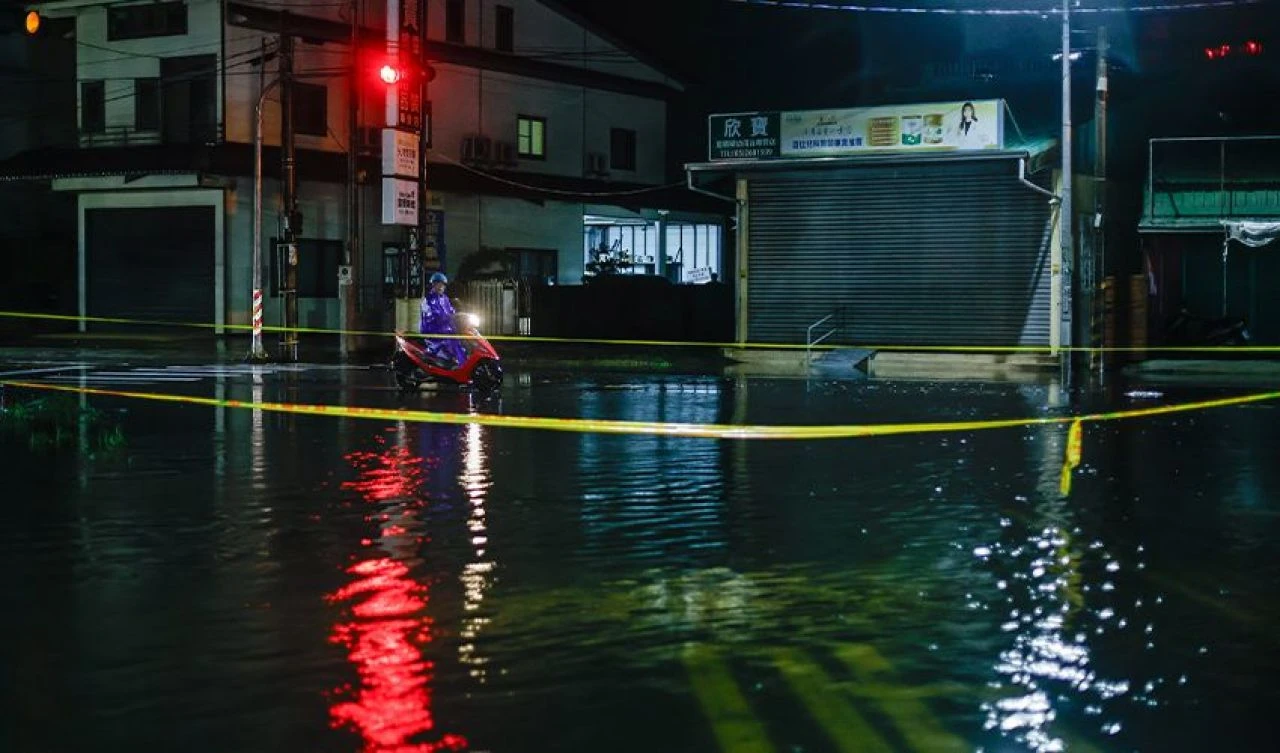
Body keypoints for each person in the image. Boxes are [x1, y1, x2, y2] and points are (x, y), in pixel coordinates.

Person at [419, 272, 467, 367]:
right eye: (438, 284)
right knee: (450, 342)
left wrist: (460, 315)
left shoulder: (444, 298)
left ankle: (461, 365)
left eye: (443, 284)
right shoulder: (428, 299)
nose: (440, 286)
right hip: (433, 329)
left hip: (445, 328)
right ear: (433, 285)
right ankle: (449, 363)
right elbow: (432, 315)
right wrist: (446, 317)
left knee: (459, 342)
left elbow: (450, 310)